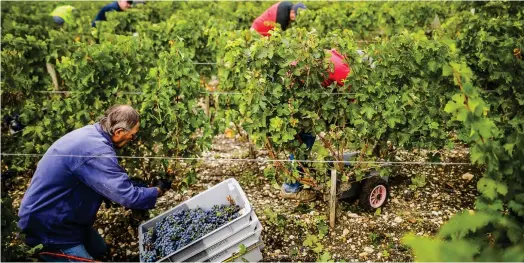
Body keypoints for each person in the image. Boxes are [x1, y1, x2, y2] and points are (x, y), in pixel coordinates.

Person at [18, 105, 171, 261]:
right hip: (50, 228)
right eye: (133, 136)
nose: (133, 140)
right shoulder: (97, 152)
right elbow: (128, 197)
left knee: (100, 250)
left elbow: (100, 179)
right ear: (119, 132)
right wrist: (157, 190)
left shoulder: (92, 133)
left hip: (68, 215)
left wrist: (133, 184)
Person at [280, 49, 351, 201]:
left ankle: (296, 177)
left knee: (301, 140)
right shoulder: (346, 73)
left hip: (292, 84)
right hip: (298, 94)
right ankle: (290, 188)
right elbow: (353, 99)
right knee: (303, 140)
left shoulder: (336, 55)